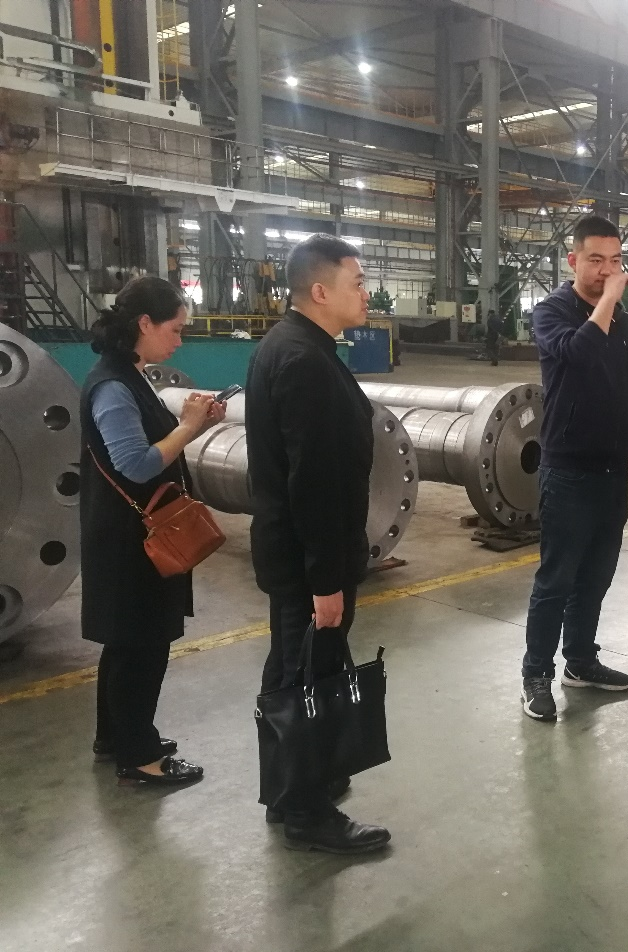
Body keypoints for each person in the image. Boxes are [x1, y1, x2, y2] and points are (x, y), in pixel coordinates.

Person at [246, 233, 390, 854]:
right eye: (357, 283)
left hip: (293, 557)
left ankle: (290, 790)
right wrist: (326, 582)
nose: (366, 294)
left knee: (290, 672)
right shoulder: (304, 361)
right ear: (321, 291)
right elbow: (315, 485)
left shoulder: (289, 345)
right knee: (309, 678)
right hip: (309, 563)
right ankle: (307, 812)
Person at [80, 276, 225, 786]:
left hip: (128, 534)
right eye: (175, 329)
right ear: (144, 323)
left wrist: (197, 424)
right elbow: (137, 464)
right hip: (132, 541)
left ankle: (115, 736)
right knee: (142, 645)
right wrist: (187, 427)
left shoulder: (129, 375)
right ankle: (139, 756)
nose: (179, 340)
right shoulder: (113, 387)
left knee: (125, 643)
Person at [521, 215, 628, 721]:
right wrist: (609, 301)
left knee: (595, 577)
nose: (606, 271)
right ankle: (536, 674)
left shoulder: (627, 326)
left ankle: (580, 661)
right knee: (556, 580)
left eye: (615, 261)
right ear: (573, 260)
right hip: (568, 472)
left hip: (612, 474)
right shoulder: (551, 312)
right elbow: (576, 354)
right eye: (596, 260)